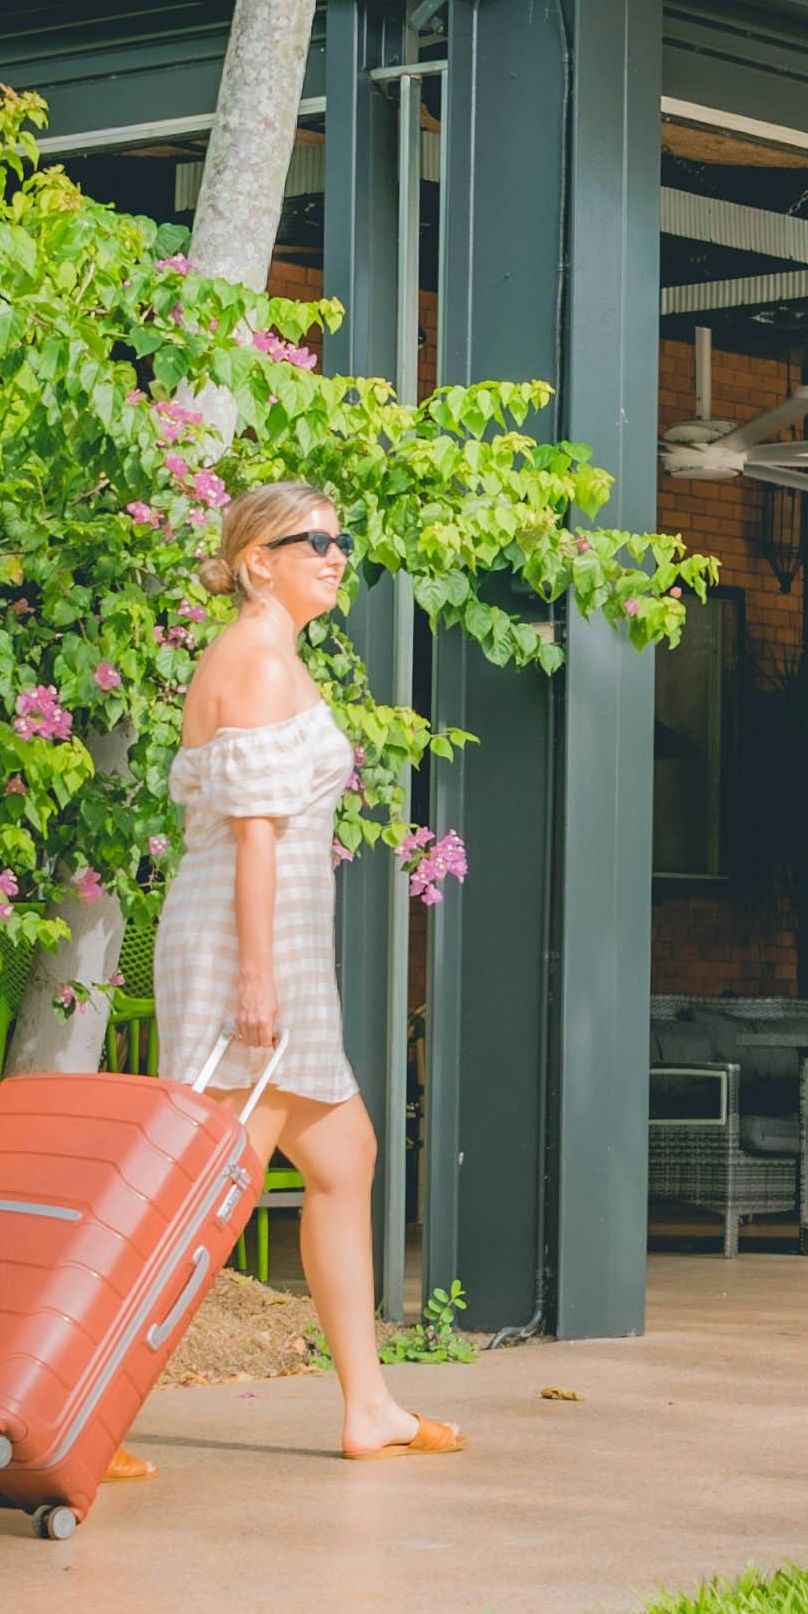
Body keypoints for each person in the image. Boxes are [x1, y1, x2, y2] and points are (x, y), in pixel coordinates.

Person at [154, 481, 459, 1463]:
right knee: (205, 1196)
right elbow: (253, 838)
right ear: (258, 562)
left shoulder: (265, 655)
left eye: (339, 539)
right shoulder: (257, 664)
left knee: (346, 1159)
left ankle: (367, 1404)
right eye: (312, 540)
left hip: (270, 940)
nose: (335, 554)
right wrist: (256, 979)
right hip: (252, 945)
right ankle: (81, 1398)